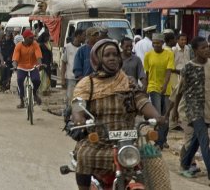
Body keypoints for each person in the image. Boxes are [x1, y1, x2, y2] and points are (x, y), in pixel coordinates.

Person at [72, 39, 164, 190]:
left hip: (127, 142)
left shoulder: (127, 81)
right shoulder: (87, 83)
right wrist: (79, 118)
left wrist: (157, 116)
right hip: (98, 143)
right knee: (84, 155)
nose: (112, 58)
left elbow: (141, 101)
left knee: (153, 160)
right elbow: (78, 106)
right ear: (98, 59)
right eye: (107, 55)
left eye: (115, 54)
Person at [171, 36, 210, 180]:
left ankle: (185, 162)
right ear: (195, 51)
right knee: (204, 139)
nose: (207, 50)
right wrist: (174, 110)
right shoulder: (188, 68)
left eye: (207, 47)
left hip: (208, 108)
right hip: (194, 110)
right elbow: (180, 91)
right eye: (203, 48)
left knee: (197, 139)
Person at [144, 33, 174, 150]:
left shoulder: (169, 54)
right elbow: (147, 73)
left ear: (162, 43)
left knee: (166, 115)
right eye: (154, 43)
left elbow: (169, 71)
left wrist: (165, 85)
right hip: (153, 86)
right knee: (157, 114)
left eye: (158, 43)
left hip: (166, 87)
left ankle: (163, 139)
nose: (155, 45)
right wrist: (146, 87)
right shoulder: (148, 55)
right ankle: (158, 142)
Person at [12, 29, 43, 108]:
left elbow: (38, 56)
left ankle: (34, 93)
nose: (32, 39)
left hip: (33, 66)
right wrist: (15, 66)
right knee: (20, 81)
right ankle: (22, 100)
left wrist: (39, 64)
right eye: (30, 38)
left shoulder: (35, 44)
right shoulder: (18, 46)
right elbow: (15, 59)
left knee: (37, 80)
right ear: (25, 38)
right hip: (21, 67)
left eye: (33, 37)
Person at [61, 29, 86, 103]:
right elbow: (63, 63)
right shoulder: (67, 47)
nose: (85, 38)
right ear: (78, 36)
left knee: (80, 99)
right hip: (70, 78)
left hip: (81, 78)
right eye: (83, 36)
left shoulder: (83, 48)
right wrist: (63, 79)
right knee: (70, 98)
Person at [37, 32, 53, 96]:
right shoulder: (41, 45)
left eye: (48, 36)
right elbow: (39, 55)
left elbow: (51, 53)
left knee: (48, 76)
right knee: (43, 76)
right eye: (46, 37)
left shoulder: (49, 43)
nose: (47, 38)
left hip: (48, 62)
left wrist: (52, 60)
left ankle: (47, 89)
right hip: (43, 62)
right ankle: (43, 90)